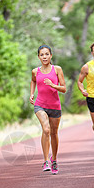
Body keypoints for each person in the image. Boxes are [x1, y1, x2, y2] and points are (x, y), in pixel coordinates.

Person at [30, 45, 66, 174]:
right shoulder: (35, 71)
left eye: (46, 54)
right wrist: (32, 93)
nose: (44, 57)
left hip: (55, 105)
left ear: (51, 55)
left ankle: (54, 160)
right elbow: (33, 81)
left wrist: (53, 85)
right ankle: (45, 160)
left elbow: (64, 88)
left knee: (54, 133)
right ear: (38, 56)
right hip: (40, 104)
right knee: (46, 129)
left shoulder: (57, 69)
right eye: (41, 54)